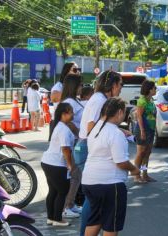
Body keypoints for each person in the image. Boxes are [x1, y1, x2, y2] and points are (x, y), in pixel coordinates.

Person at [82, 97, 140, 236]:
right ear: (120, 112)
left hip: (89, 181)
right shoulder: (114, 133)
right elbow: (120, 162)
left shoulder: (96, 128)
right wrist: (134, 169)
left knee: (95, 220)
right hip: (109, 184)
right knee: (111, 225)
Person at [76, 70, 124, 236]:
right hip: (86, 148)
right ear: (112, 85)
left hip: (85, 147)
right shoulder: (99, 100)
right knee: (94, 199)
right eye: (120, 85)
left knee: (94, 199)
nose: (121, 89)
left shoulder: (100, 98)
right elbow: (92, 128)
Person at [41, 103, 75, 227]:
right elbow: (65, 149)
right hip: (56, 164)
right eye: (71, 112)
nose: (73, 114)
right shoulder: (63, 129)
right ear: (64, 114)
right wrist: (70, 165)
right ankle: (57, 219)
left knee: (54, 191)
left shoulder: (60, 126)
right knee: (63, 190)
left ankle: (51, 217)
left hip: (48, 162)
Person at [60, 74, 84, 218]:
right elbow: (67, 122)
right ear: (74, 86)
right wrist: (78, 132)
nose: (82, 87)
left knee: (75, 175)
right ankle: (66, 206)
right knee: (74, 174)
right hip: (72, 141)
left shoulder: (75, 100)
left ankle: (71, 204)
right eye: (80, 85)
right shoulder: (69, 101)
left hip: (76, 140)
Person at [133, 80, 157, 183]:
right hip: (143, 129)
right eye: (154, 88)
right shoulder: (142, 100)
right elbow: (139, 116)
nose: (155, 90)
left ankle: (145, 174)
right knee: (141, 153)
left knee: (147, 153)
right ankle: (136, 175)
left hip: (150, 130)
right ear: (150, 89)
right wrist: (142, 131)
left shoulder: (151, 100)